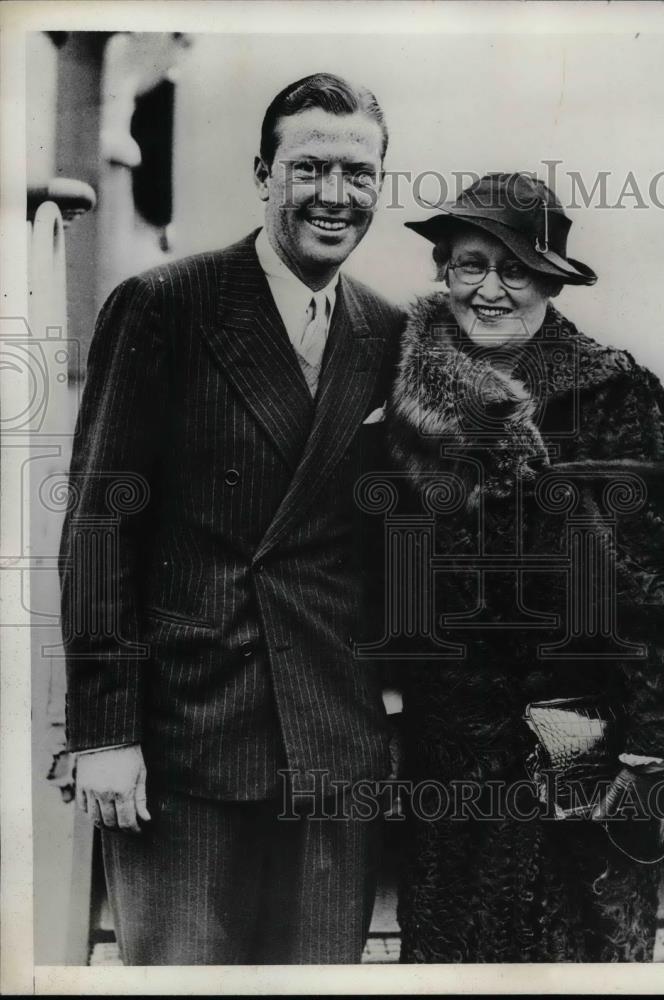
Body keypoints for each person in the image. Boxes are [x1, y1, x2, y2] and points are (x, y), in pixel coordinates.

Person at [59, 72, 404, 965]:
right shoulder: (166, 305)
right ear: (264, 173)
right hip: (189, 740)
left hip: (332, 744)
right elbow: (100, 528)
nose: (335, 196)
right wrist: (104, 733)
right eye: (310, 168)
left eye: (358, 173)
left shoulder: (391, 333)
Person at [386, 173, 664, 962]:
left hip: (589, 747)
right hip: (455, 760)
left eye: (514, 269)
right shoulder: (414, 397)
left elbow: (660, 589)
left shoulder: (608, 390)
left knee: (579, 957)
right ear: (442, 270)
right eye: (470, 264)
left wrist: (651, 759)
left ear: (548, 281)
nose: (490, 290)